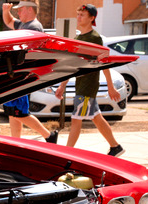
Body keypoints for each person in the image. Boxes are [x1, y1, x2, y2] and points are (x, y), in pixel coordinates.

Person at [54, 4, 125, 157]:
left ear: (92, 18)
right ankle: (115, 146)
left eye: (82, 15)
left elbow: (103, 62)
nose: (78, 17)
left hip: (87, 86)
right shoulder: (78, 38)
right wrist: (62, 85)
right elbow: (72, 65)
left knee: (75, 120)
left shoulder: (94, 38)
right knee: (96, 118)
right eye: (78, 14)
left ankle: (67, 154)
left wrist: (110, 87)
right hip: (81, 84)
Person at [0, 0, 58, 143]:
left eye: (20, 9)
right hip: (18, 73)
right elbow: (9, 21)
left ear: (29, 10)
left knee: (20, 113)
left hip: (24, 74)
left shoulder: (34, 27)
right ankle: (16, 142)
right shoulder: (23, 25)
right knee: (12, 112)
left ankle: (49, 135)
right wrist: (5, 11)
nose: (18, 12)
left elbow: (31, 53)